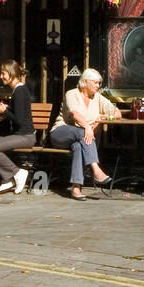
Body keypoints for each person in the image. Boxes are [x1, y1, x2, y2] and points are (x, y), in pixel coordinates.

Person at [49, 67, 118, 199]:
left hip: (82, 139)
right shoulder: (72, 94)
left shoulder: (97, 98)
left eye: (99, 83)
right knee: (82, 133)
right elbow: (75, 114)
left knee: (78, 147)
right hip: (61, 132)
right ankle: (96, 170)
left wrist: (102, 118)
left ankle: (76, 188)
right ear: (85, 82)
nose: (98, 86)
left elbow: (116, 112)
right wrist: (87, 127)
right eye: (95, 83)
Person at [0, 59, 34, 194]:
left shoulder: (19, 91)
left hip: (25, 136)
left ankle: (17, 173)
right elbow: (19, 113)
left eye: (3, 73)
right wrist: (7, 108)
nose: (0, 77)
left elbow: (20, 120)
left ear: (11, 73)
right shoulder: (18, 90)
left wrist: (3, 111)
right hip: (22, 135)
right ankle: (8, 179)